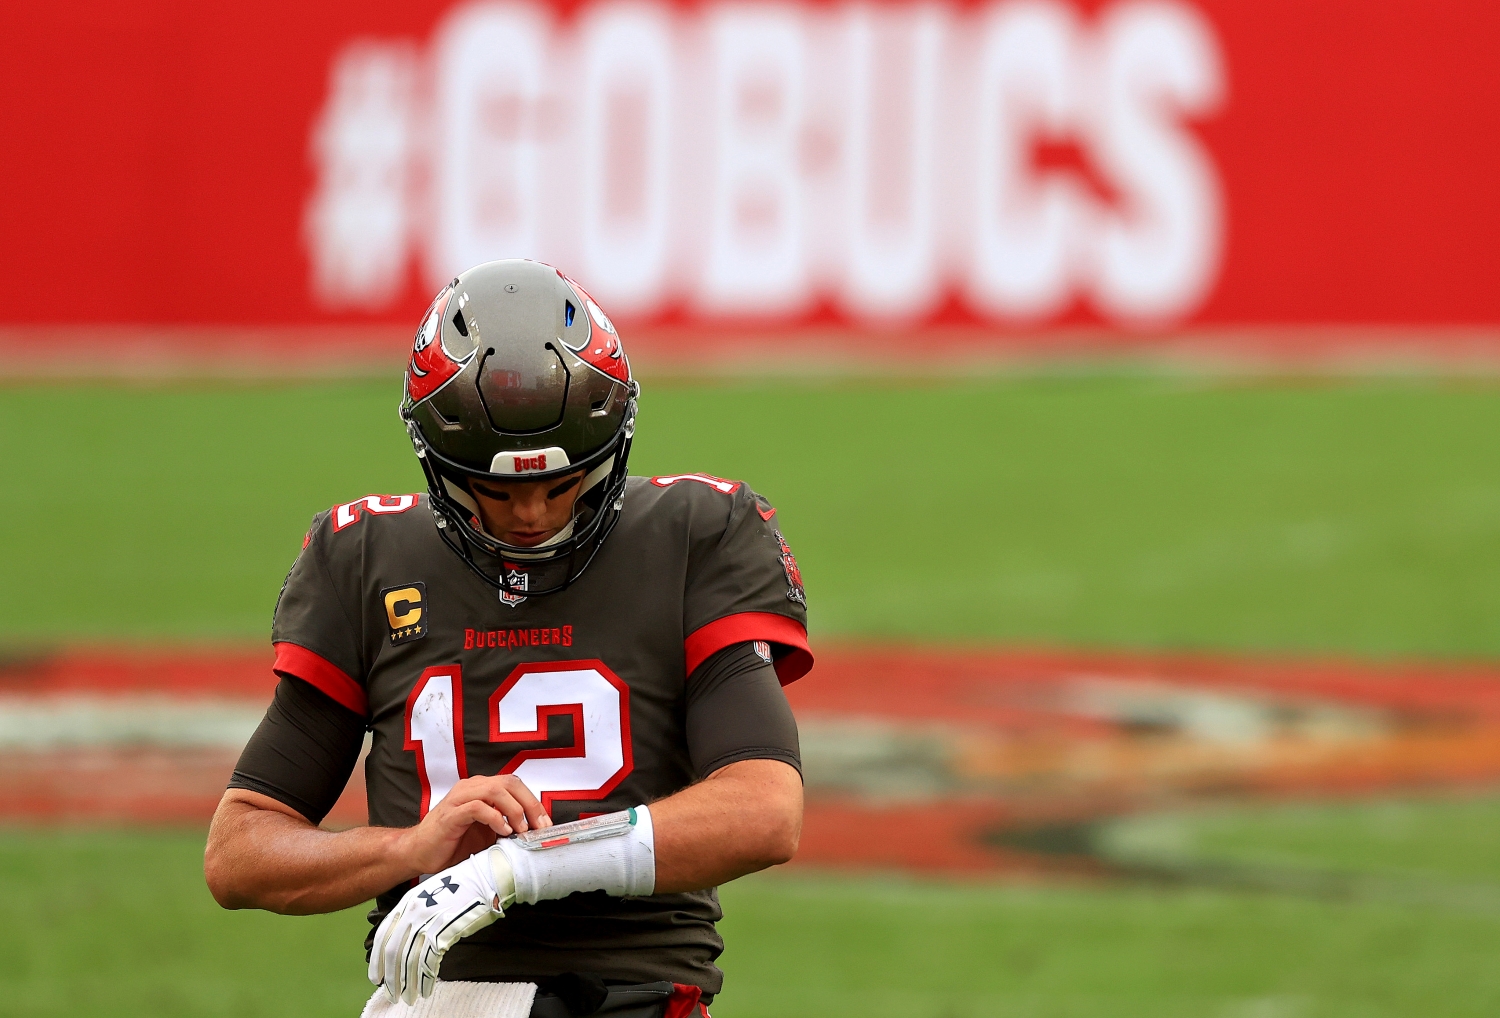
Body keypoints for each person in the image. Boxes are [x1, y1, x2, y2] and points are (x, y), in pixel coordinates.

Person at [204, 259, 813, 1018]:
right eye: (495, 490)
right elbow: (238, 853)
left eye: (562, 484)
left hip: (634, 993)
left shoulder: (697, 536)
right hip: (441, 997)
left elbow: (765, 811)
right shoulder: (363, 557)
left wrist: (519, 869)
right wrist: (409, 850)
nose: (532, 515)